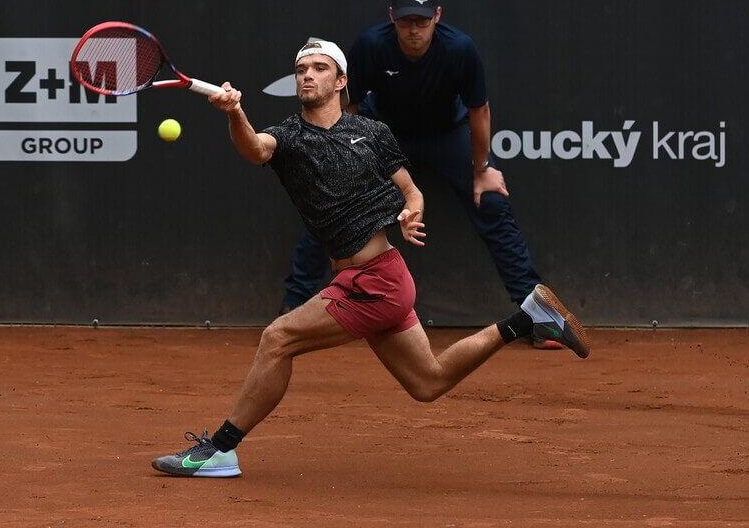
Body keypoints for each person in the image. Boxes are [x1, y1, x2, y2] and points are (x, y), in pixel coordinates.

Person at [150, 40, 590, 478]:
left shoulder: (373, 132)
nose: (308, 74)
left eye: (320, 68)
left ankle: (222, 449)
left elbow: (410, 188)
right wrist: (235, 113)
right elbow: (255, 149)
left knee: (278, 339)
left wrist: (412, 211)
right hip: (372, 280)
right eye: (302, 68)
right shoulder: (287, 136)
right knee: (428, 382)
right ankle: (527, 318)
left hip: (376, 281)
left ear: (341, 81)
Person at [280, 0, 561, 349]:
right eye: (407, 20)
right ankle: (293, 309)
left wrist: (482, 169)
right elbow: (346, 107)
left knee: (491, 202)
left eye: (423, 21)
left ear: (437, 17)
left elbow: (479, 110)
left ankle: (538, 319)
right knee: (333, 203)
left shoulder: (459, 49)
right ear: (392, 17)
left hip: (446, 135)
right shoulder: (371, 46)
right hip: (382, 132)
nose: (414, 29)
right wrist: (339, 159)